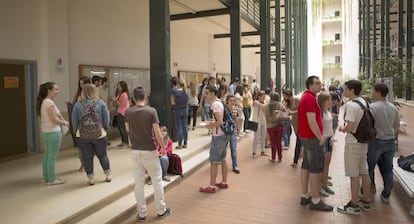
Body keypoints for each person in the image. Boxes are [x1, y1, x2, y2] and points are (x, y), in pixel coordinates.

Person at [125, 87, 171, 221]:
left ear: (133, 99)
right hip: (149, 150)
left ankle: (142, 213)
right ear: (145, 98)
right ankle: (161, 210)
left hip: (135, 150)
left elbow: (128, 130)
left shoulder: (128, 111)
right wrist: (163, 147)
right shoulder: (151, 111)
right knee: (157, 180)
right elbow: (157, 133)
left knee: (138, 183)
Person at [298, 76, 333, 211]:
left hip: (307, 137)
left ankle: (305, 195)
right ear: (310, 85)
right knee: (315, 169)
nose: (320, 85)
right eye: (317, 83)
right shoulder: (310, 99)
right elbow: (311, 121)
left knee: (306, 166)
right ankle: (316, 200)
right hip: (312, 138)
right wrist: (320, 137)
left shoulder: (307, 97)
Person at [337, 80, 371, 215]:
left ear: (351, 90)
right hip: (363, 142)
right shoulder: (365, 102)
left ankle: (354, 204)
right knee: (364, 171)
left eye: (345, 89)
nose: (343, 91)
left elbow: (350, 126)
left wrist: (342, 128)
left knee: (354, 175)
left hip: (353, 143)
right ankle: (366, 201)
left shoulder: (351, 105)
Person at [71, 84, 111, 185]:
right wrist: (105, 129)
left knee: (87, 157)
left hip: (83, 135)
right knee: (102, 155)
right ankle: (107, 175)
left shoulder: (78, 105)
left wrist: (76, 132)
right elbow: (106, 119)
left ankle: (91, 178)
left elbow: (74, 121)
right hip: (99, 134)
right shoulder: (100, 103)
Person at [367, 83, 400, 204]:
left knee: (369, 167)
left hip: (376, 141)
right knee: (387, 169)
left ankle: (370, 187)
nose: (372, 92)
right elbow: (396, 126)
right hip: (390, 141)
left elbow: (368, 126)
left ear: (378, 92)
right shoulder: (393, 108)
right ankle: (386, 195)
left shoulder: (372, 107)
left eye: (373, 90)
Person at [37, 82, 69, 185]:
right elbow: (54, 119)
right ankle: (51, 179)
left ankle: (47, 177)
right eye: (56, 89)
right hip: (53, 133)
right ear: (49, 91)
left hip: (46, 132)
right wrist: (65, 123)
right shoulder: (49, 103)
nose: (57, 92)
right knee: (51, 156)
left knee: (47, 155)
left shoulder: (45, 101)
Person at [199, 86, 230, 193]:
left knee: (214, 160)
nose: (205, 95)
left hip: (219, 135)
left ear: (213, 93)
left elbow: (219, 122)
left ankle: (212, 185)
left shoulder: (215, 105)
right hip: (224, 134)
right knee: (222, 158)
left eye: (207, 93)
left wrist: (210, 125)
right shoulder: (219, 102)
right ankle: (224, 181)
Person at [68, 76, 91, 172]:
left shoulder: (91, 94)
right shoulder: (78, 94)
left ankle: (88, 164)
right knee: (81, 147)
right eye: (80, 84)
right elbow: (74, 104)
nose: (82, 85)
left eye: (83, 83)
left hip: (90, 123)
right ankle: (83, 164)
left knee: (89, 147)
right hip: (80, 124)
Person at [317, 93, 335, 196]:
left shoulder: (327, 111)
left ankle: (325, 184)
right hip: (322, 139)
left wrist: (332, 136)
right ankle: (319, 187)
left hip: (329, 139)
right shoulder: (319, 112)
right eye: (328, 100)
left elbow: (330, 125)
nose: (330, 102)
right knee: (321, 164)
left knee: (327, 163)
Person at [265, 92, 285, 162]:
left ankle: (273, 158)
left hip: (270, 126)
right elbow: (285, 114)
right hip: (279, 125)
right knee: (279, 142)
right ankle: (280, 158)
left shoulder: (267, 106)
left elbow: (266, 117)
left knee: (273, 142)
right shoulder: (280, 105)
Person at [171, 78, 189, 149]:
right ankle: (185, 143)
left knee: (179, 127)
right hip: (185, 109)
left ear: (177, 84)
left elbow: (172, 102)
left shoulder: (174, 91)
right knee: (185, 126)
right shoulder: (186, 91)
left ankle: (180, 144)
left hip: (177, 110)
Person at [225, 94, 240, 173]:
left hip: (233, 131)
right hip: (225, 131)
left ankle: (235, 165)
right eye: (230, 100)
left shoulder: (235, 109)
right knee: (223, 148)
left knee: (233, 148)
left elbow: (236, 119)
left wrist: (238, 129)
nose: (232, 102)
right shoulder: (224, 109)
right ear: (227, 101)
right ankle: (220, 161)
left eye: (234, 100)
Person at [251, 91, 267, 158]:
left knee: (263, 137)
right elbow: (263, 107)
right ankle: (254, 152)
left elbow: (265, 108)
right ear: (259, 96)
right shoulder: (255, 102)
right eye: (262, 96)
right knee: (256, 137)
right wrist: (261, 105)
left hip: (264, 121)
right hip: (257, 121)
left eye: (264, 96)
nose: (263, 98)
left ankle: (263, 150)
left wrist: (261, 105)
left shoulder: (265, 102)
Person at [114, 81, 130, 148]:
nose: (118, 87)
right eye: (118, 86)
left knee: (123, 128)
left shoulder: (124, 94)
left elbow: (122, 105)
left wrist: (116, 100)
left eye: (119, 86)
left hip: (123, 113)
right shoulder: (119, 94)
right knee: (120, 128)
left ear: (123, 87)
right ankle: (123, 141)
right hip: (119, 112)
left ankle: (126, 142)